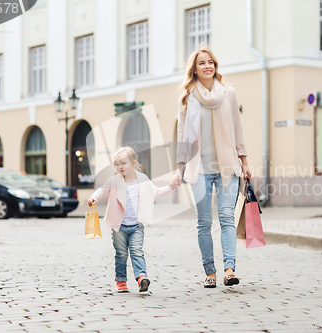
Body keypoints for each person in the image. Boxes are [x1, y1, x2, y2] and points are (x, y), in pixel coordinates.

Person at [170, 47, 251, 288]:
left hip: (227, 166)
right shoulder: (188, 98)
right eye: (202, 63)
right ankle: (210, 273)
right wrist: (179, 167)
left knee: (227, 217)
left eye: (211, 63)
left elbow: (237, 128)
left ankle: (229, 269)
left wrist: (244, 161)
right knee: (204, 222)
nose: (208, 66)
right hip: (199, 169)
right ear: (194, 69)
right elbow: (183, 137)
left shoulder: (229, 94)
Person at [88, 146, 178, 293]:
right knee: (121, 254)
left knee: (137, 251)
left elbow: (157, 192)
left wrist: (170, 187)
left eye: (124, 163)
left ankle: (142, 277)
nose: (120, 167)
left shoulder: (142, 180)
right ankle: (121, 281)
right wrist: (93, 198)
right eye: (117, 164)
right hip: (119, 226)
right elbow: (102, 190)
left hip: (137, 226)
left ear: (134, 163)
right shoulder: (114, 181)